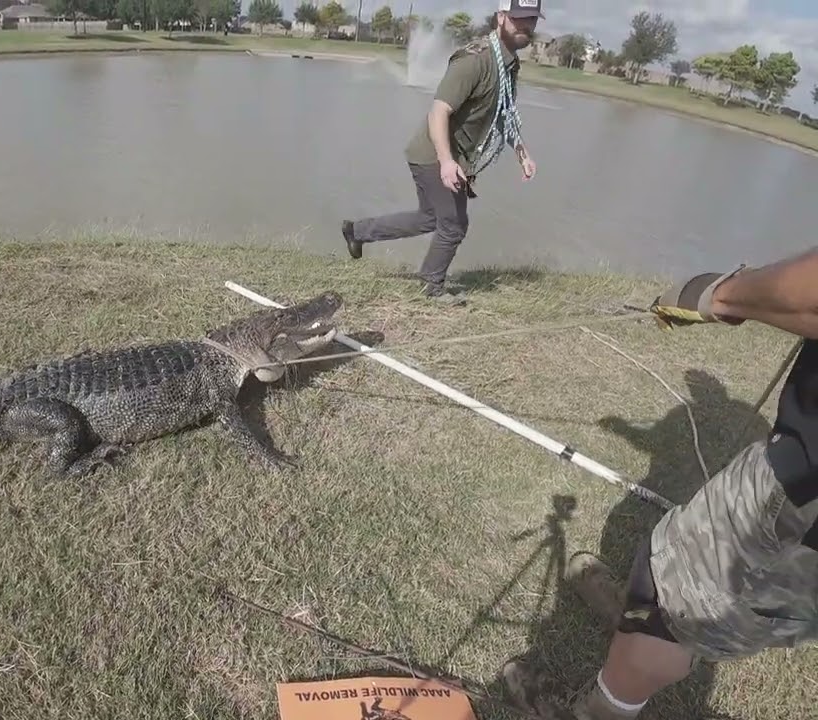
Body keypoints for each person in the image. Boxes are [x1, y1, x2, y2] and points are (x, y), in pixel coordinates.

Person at [500, 246, 818, 719]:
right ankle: (645, 622)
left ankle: (604, 700)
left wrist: (721, 294)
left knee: (668, 605)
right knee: (763, 602)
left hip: (802, 490)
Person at [341, 0, 543, 306]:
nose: (525, 27)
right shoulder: (476, 61)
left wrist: (522, 153)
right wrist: (447, 162)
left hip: (453, 157)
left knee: (429, 218)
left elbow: (504, 113)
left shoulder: (509, 64)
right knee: (454, 225)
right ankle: (431, 287)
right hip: (434, 154)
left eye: (531, 20)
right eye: (518, 20)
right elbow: (439, 112)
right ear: (501, 18)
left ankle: (357, 231)